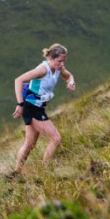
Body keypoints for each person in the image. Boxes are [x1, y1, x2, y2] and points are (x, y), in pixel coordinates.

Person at [11, 43, 76, 173]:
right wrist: (20, 104)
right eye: (59, 61)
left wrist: (71, 82)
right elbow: (18, 80)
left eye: (64, 61)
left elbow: (68, 76)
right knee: (56, 139)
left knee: (29, 144)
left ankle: (16, 172)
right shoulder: (43, 70)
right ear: (50, 59)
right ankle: (45, 171)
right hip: (31, 107)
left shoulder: (58, 68)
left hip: (39, 108)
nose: (62, 64)